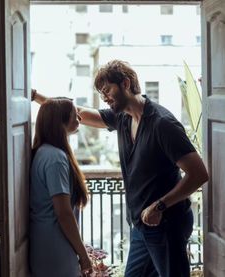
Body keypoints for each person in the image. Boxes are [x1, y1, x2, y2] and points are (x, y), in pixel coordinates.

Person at [32, 60, 209, 277]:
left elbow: (199, 173)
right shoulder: (122, 117)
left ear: (125, 84)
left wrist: (160, 206)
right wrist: (36, 97)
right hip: (141, 226)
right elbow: (73, 113)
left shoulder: (163, 124)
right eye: (101, 92)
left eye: (107, 90)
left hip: (166, 225)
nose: (104, 97)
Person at [29, 98, 93, 277]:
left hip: (48, 244)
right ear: (61, 120)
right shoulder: (55, 158)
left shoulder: (45, 152)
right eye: (74, 114)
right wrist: (83, 255)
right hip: (56, 248)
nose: (79, 117)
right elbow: (64, 213)